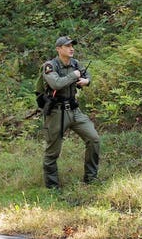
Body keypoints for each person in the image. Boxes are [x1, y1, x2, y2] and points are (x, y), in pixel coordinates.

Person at [39, 36, 101, 189]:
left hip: (74, 109)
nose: (71, 48)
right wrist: (75, 75)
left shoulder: (75, 63)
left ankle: (90, 179)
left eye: (72, 45)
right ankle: (52, 187)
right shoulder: (50, 66)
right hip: (56, 112)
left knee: (94, 139)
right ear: (58, 49)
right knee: (53, 151)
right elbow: (56, 83)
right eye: (67, 46)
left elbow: (86, 75)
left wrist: (87, 81)